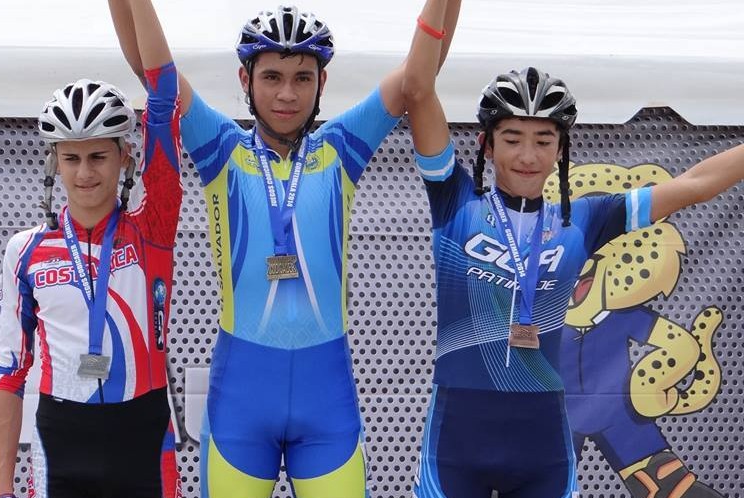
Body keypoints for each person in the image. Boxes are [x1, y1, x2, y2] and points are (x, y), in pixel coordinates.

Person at [110, 1, 460, 496]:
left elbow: (417, 81)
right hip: (241, 406)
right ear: (245, 79)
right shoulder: (222, 149)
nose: (287, 94)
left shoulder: (340, 148)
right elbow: (155, 75)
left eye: (302, 78)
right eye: (272, 77)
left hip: (326, 409)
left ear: (322, 83)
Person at [402, 0, 744, 496]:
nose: (527, 155)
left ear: (561, 151)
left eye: (543, 141)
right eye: (512, 138)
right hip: (455, 445)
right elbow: (417, 89)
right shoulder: (455, 200)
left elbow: (694, 185)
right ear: (486, 145)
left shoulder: (584, 219)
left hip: (542, 446)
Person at [0, 3, 183, 495]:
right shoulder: (26, 250)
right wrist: (2, 486)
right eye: (71, 158)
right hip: (61, 443)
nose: (84, 172)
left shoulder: (152, 228)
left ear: (124, 157)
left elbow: (164, 94)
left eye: (98, 156)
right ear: (54, 162)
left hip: (143, 439)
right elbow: (9, 374)